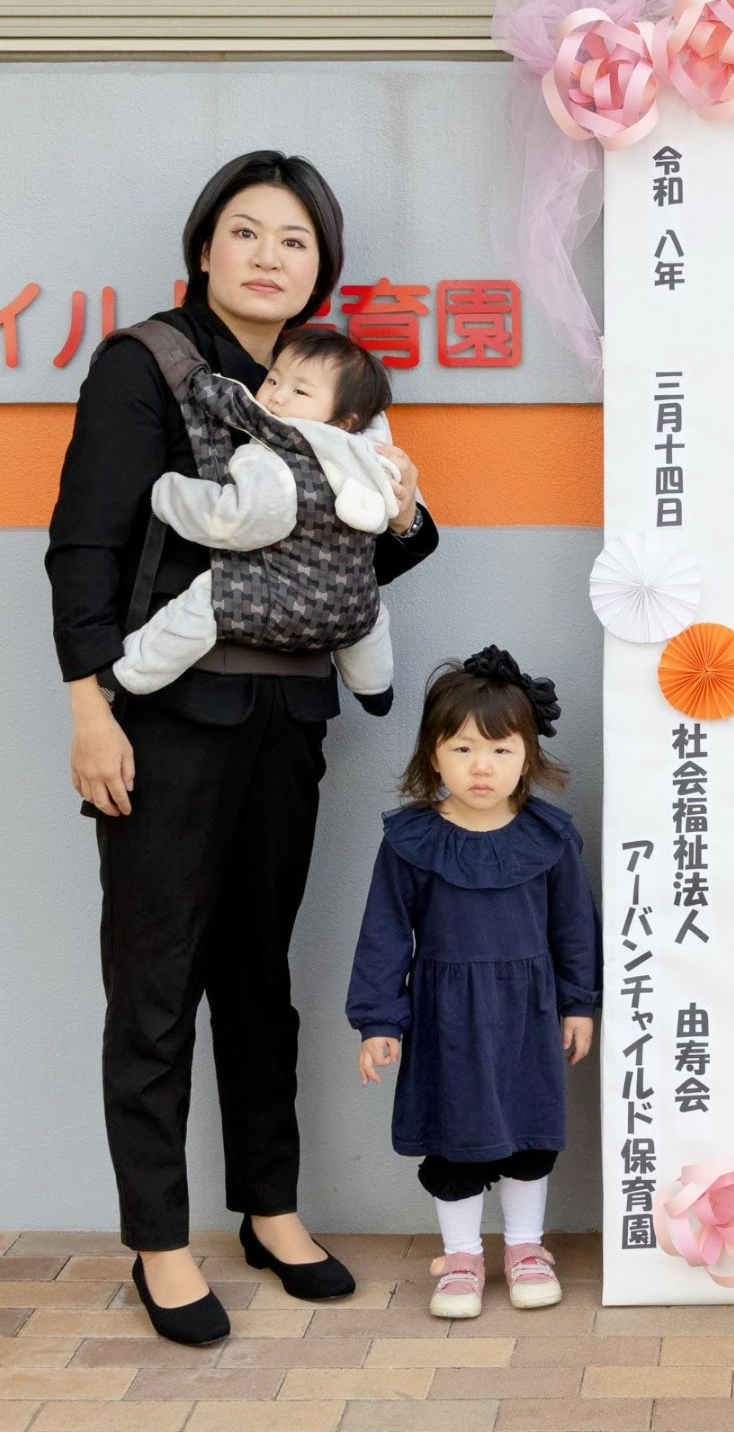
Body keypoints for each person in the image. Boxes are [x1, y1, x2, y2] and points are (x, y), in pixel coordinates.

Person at [46, 150, 439, 1345]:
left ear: (323, 266)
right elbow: (86, 544)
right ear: (205, 246)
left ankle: (271, 1206)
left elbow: (361, 555)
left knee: (259, 972)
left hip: (288, 716)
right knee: (156, 977)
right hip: (165, 717)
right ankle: (161, 1242)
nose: (270, 256)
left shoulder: (332, 379)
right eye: (247, 231)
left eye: (295, 240)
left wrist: (407, 509)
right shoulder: (146, 364)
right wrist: (90, 707)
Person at [346, 647, 602, 1320]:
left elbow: (576, 928)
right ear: (433, 755)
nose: (480, 766)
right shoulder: (411, 841)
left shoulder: (550, 837)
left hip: (528, 1013)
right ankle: (461, 1256)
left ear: (527, 755)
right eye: (461, 748)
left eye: (499, 749)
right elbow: (383, 934)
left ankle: (525, 1248)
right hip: (446, 1018)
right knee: (454, 1134)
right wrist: (379, 1020)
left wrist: (580, 1004)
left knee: (528, 1134)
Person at [112, 324, 402, 713]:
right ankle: (374, 689)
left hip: (278, 603)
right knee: (372, 613)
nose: (277, 397)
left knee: (206, 600)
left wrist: (170, 495)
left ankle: (129, 675)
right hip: (350, 608)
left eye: (300, 392)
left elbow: (236, 520)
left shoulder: (276, 457)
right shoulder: (370, 458)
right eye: (273, 380)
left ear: (342, 421)